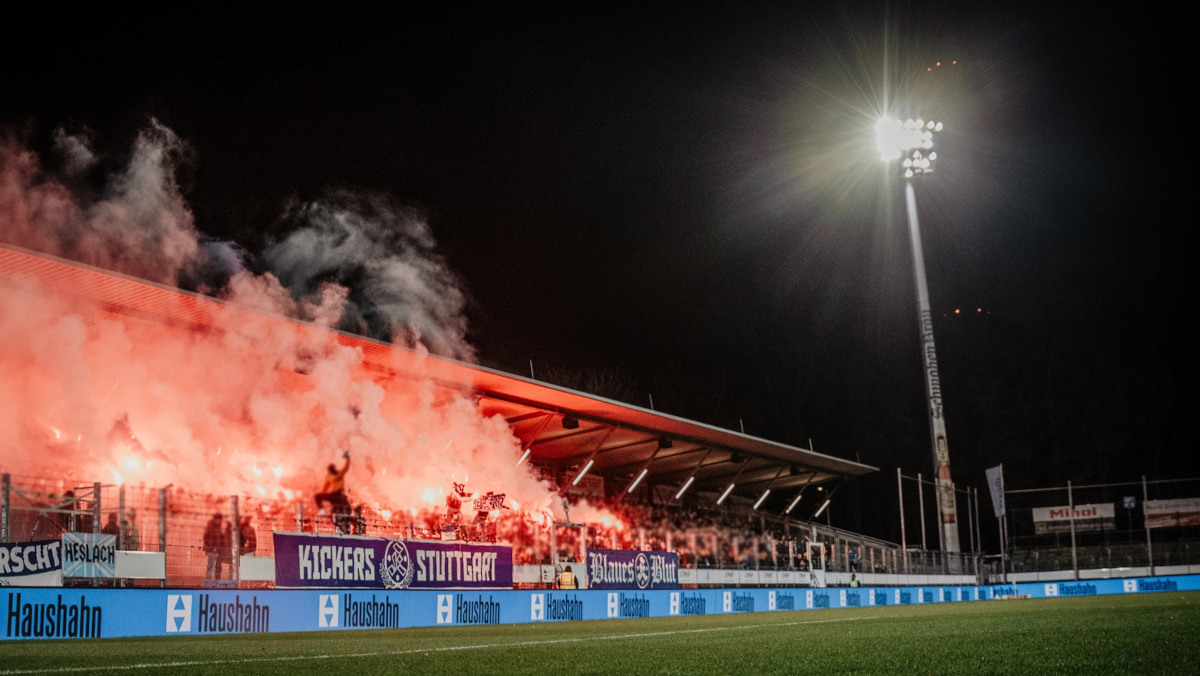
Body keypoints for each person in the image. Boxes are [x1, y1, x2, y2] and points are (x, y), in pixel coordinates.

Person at [315, 451, 351, 517]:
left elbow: (346, 466)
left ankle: (324, 510)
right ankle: (323, 510)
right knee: (317, 496)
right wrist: (323, 493)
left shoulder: (338, 473)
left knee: (318, 496)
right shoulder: (331, 476)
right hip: (334, 495)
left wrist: (347, 457)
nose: (331, 470)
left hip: (338, 495)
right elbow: (325, 486)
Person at [203, 512, 225, 580]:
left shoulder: (218, 526)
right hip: (212, 550)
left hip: (217, 550)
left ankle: (217, 581)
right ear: (217, 519)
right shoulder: (211, 526)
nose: (220, 521)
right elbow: (206, 537)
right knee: (211, 566)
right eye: (220, 520)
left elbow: (220, 538)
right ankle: (209, 581)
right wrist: (212, 547)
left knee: (217, 566)